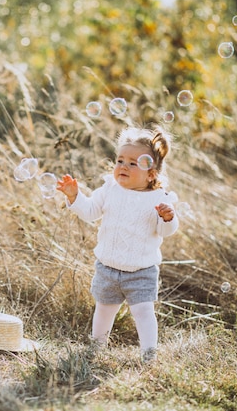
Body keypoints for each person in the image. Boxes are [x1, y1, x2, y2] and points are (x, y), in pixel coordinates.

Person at [57, 125, 178, 363]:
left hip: (142, 270)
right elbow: (91, 211)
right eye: (120, 160)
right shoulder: (109, 189)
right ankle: (96, 347)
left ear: (151, 173)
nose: (123, 166)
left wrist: (168, 217)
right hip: (108, 267)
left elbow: (165, 231)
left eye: (133, 163)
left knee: (144, 312)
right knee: (103, 309)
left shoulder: (160, 199)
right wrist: (75, 196)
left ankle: (149, 354)